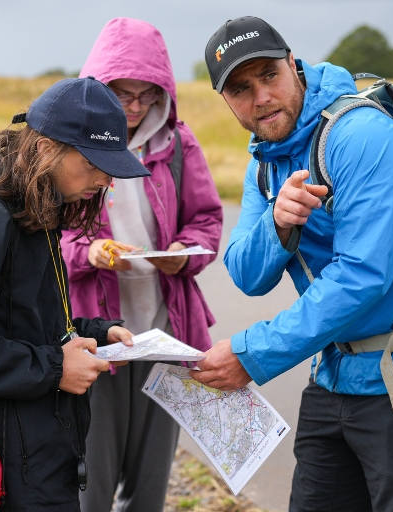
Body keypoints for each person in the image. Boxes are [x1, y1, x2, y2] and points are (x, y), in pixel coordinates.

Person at [191, 17, 393, 512]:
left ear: (294, 65)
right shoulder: (264, 162)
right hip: (335, 376)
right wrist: (279, 226)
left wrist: (251, 354)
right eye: (241, 89)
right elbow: (245, 274)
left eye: (269, 75)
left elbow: (363, 276)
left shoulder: (362, 136)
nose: (260, 97)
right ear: (225, 99)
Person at [0, 77, 149, 512]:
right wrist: (55, 368)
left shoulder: (36, 205)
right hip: (6, 465)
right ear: (45, 148)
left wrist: (95, 330)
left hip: (36, 447)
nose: (105, 178)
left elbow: (16, 318)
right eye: (94, 162)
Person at [61, 18, 224, 512]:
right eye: (122, 94)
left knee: (150, 484)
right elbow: (42, 229)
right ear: (98, 87)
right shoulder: (67, 144)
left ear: (164, 94)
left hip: (165, 333)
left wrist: (184, 255)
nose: (134, 108)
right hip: (96, 339)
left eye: (146, 96)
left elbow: (207, 219)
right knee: (92, 480)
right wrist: (88, 251)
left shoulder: (177, 143)